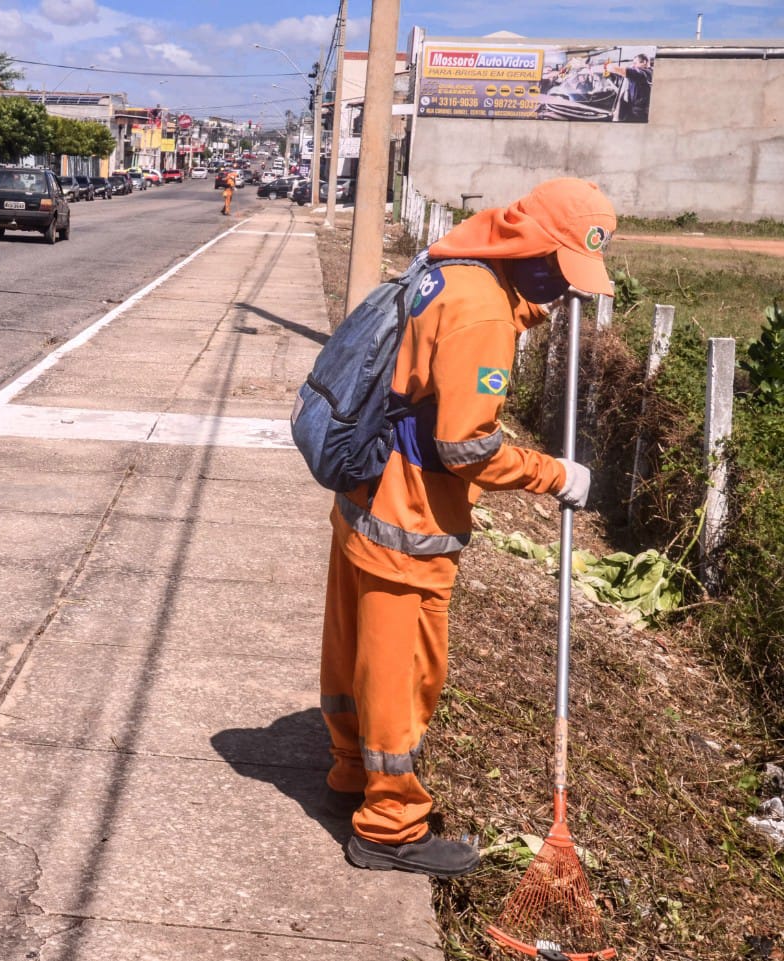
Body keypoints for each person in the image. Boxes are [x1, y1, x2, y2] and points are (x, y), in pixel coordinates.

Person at [319, 178, 615, 877]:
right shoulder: (483, 310)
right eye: (563, 272)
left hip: (364, 490)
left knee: (351, 647)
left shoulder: (451, 267)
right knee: (401, 669)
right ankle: (389, 824)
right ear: (535, 249)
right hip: (409, 518)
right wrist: (555, 476)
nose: (564, 291)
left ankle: (348, 772)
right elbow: (465, 447)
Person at [603, 54, 653, 123]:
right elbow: (623, 75)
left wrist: (608, 66)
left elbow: (625, 71)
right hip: (636, 110)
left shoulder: (645, 73)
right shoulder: (643, 74)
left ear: (644, 62)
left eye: (635, 63)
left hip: (639, 113)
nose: (634, 65)